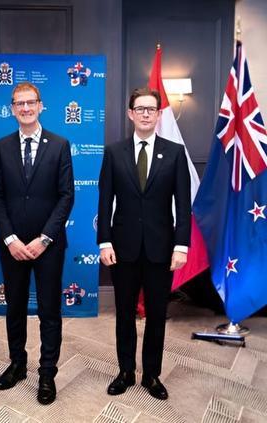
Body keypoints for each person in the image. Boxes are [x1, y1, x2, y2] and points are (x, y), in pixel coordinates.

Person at [97, 87, 190, 400]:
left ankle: (152, 374)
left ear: (159, 114)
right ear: (130, 114)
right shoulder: (114, 152)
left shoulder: (175, 153)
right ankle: (125, 371)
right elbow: (104, 202)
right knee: (124, 313)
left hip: (161, 249)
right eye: (140, 108)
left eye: (151, 109)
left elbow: (183, 205)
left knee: (156, 314)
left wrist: (181, 246)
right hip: (122, 248)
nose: (146, 114)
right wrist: (104, 242)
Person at [0, 82, 74, 405]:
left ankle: (47, 373)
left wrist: (44, 238)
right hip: (12, 246)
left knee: (49, 311)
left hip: (48, 245)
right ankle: (17, 364)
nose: (25, 108)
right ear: (12, 109)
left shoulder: (60, 145)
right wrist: (10, 239)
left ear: (40, 106)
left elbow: (66, 196)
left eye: (30, 102)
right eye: (19, 103)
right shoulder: (1, 147)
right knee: (15, 307)